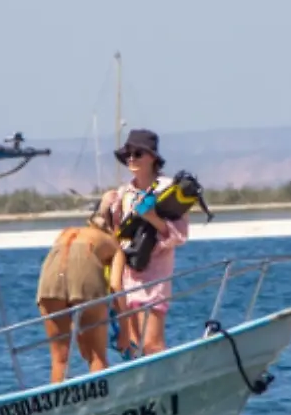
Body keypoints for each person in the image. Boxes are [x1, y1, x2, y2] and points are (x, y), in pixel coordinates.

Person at [99, 129, 189, 357]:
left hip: (154, 277)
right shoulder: (122, 194)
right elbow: (114, 236)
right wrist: (104, 209)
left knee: (152, 344)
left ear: (152, 157)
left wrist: (152, 218)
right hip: (126, 277)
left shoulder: (168, 190)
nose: (131, 159)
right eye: (128, 154)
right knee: (132, 345)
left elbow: (179, 235)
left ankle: (167, 382)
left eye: (137, 154)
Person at [37, 221, 122, 382]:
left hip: (51, 271)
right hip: (86, 265)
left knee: (59, 359)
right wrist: (124, 331)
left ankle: (59, 405)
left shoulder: (66, 233)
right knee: (97, 356)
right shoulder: (113, 244)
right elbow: (115, 285)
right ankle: (102, 403)